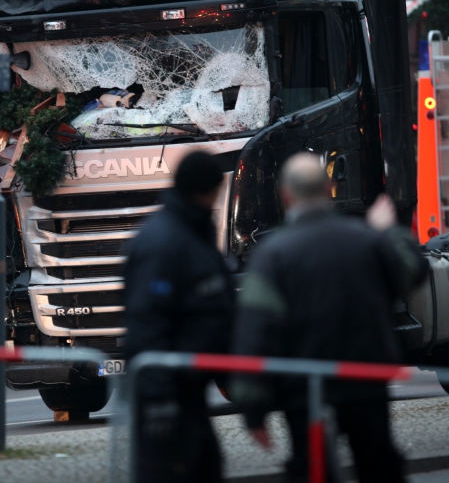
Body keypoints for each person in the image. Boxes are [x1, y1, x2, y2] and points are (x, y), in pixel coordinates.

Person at [229, 153, 426, 483]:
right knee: (378, 463)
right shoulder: (365, 239)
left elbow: (257, 330)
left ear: (285, 195)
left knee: (311, 467)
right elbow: (413, 272)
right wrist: (389, 231)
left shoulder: (274, 254)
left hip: (305, 387)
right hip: (366, 380)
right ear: (329, 188)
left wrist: (254, 410)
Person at [124, 151, 237, 483]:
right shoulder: (167, 242)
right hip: (169, 396)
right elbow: (148, 322)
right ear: (207, 191)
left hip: (187, 391)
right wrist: (159, 399)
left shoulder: (190, 231)